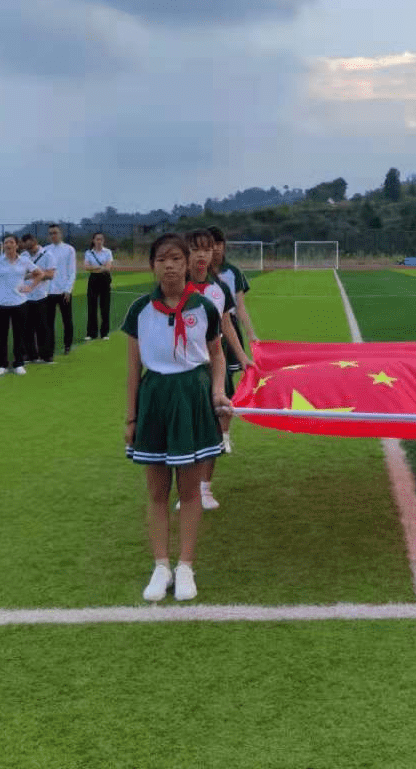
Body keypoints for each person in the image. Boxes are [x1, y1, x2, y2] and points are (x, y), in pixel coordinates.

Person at [124, 233, 234, 602]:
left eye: (175, 258)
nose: (169, 265)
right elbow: (133, 368)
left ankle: (186, 566)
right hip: (154, 400)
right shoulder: (140, 309)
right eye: (161, 259)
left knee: (189, 491)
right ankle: (161, 566)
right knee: (157, 491)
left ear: (188, 264)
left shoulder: (204, 307)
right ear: (152, 265)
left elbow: (217, 355)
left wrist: (218, 390)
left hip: (191, 399)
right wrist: (131, 418)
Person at [185, 229, 252, 510]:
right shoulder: (176, 287)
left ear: (214, 252)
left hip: (215, 367)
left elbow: (227, 327)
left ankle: (205, 489)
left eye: (207, 249)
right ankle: (187, 492)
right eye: (196, 249)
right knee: (186, 431)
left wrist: (243, 356)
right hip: (184, 370)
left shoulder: (219, 289)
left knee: (214, 425)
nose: (202, 255)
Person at [210, 227, 259, 454]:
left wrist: (251, 336)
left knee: (226, 388)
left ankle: (224, 436)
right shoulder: (194, 275)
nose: (215, 249)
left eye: (219, 244)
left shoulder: (233, 273)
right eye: (210, 245)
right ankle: (207, 434)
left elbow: (239, 308)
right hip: (202, 339)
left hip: (228, 337)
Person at [0, 235, 43, 376]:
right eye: (6, 242)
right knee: (1, 336)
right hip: (0, 304)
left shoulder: (24, 261)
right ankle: (2, 364)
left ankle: (19, 363)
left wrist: (30, 287)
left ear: (17, 245)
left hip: (19, 303)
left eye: (11, 242)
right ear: (3, 245)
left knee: (19, 335)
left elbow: (39, 274)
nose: (8, 245)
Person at [22, 235, 55, 364]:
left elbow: (51, 274)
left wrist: (36, 274)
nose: (27, 247)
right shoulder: (23, 256)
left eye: (29, 243)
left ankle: (46, 355)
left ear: (35, 242)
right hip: (26, 296)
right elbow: (21, 273)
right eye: (25, 244)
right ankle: (30, 355)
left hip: (42, 295)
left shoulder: (47, 255)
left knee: (43, 327)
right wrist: (34, 274)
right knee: (27, 327)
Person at [46, 224, 78, 356]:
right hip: (48, 292)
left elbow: (72, 271)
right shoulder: (45, 250)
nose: (53, 235)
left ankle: (67, 345)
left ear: (60, 234)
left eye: (55, 233)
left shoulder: (69, 249)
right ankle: (49, 347)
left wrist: (68, 289)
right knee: (48, 322)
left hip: (63, 291)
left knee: (67, 320)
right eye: (51, 233)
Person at [84, 232, 115, 341]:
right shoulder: (89, 252)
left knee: (105, 306)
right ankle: (91, 333)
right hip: (93, 280)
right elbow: (87, 267)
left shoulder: (108, 252)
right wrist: (99, 268)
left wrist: (96, 268)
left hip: (104, 279)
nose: (99, 241)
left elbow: (108, 267)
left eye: (101, 239)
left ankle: (104, 333)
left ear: (103, 241)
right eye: (97, 239)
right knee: (92, 306)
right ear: (93, 240)